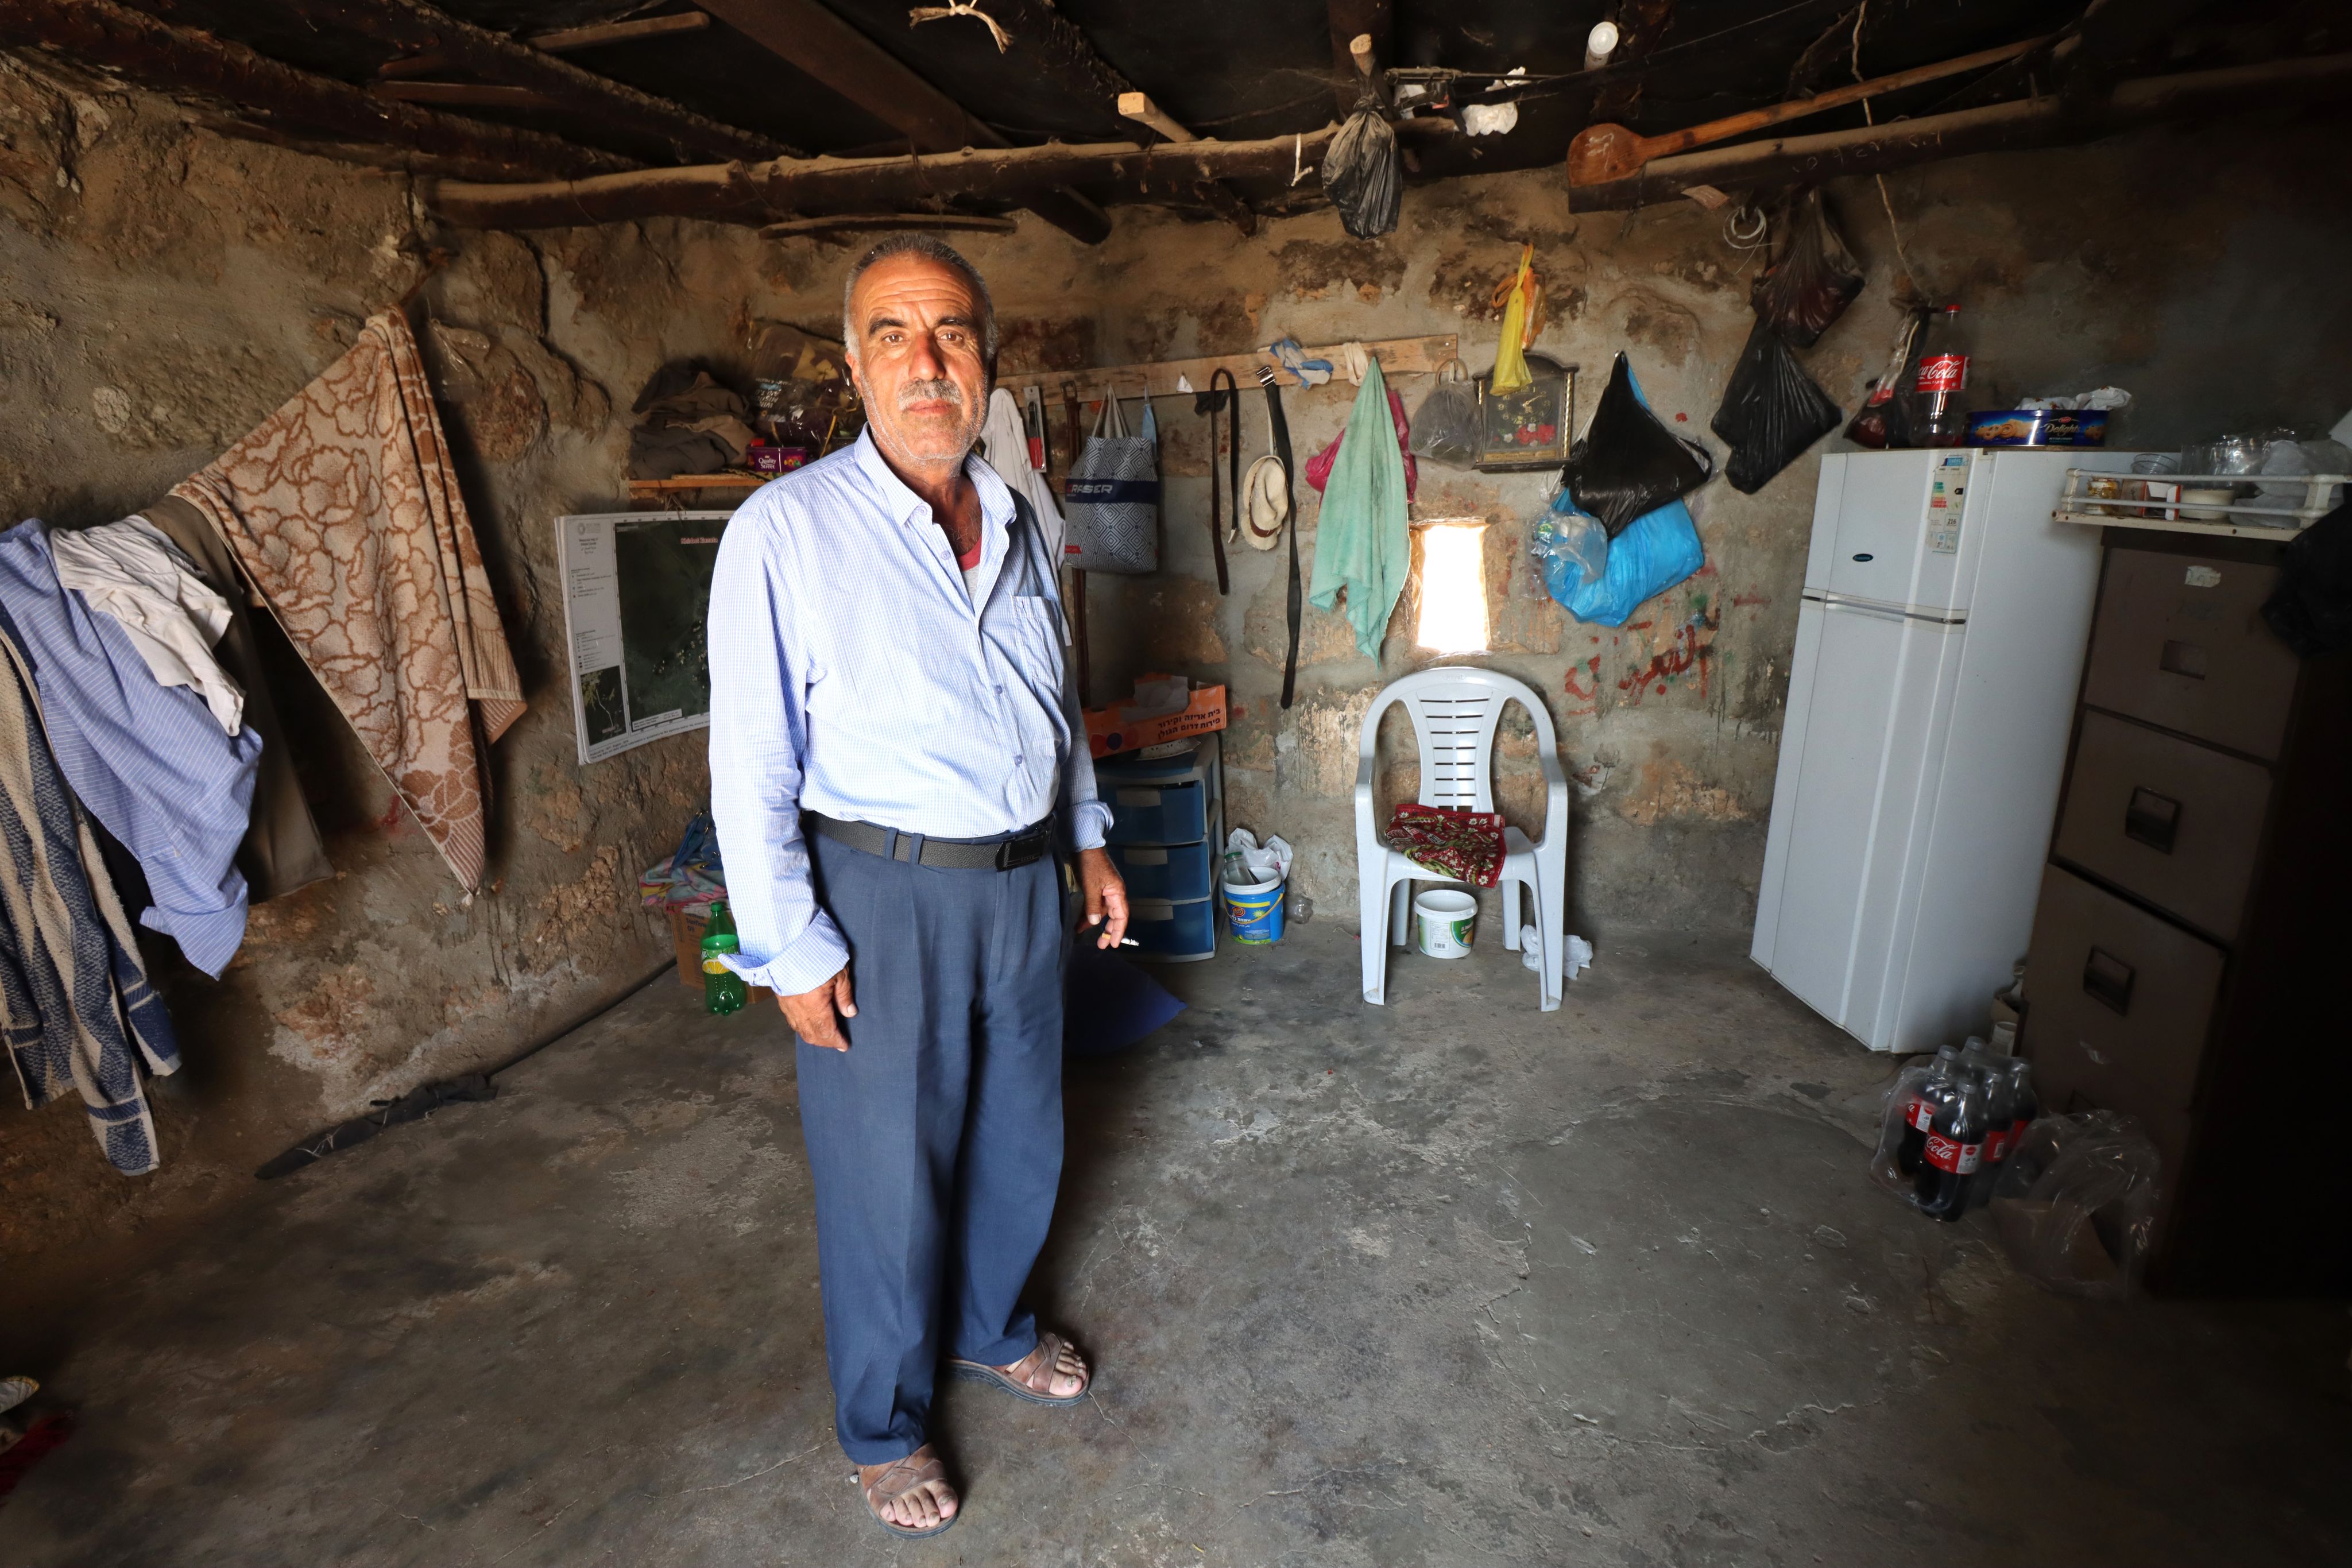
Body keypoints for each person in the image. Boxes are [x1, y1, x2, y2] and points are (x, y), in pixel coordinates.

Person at [706, 234, 1128, 1539]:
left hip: (1022, 880)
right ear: (854, 366)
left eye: (950, 332)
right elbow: (750, 759)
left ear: (985, 361)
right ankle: (884, 1426)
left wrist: (1087, 837)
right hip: (879, 892)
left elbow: (1052, 697)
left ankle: (989, 1326)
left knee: (1021, 1131)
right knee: (884, 1173)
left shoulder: (1015, 512)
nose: (925, 361)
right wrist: (789, 944)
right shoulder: (785, 531)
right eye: (892, 333)